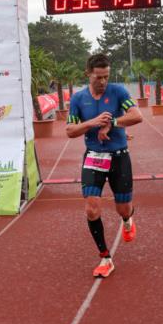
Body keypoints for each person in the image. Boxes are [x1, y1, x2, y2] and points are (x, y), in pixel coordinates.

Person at [66, 53, 143, 278]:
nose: (102, 82)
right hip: (93, 157)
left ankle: (128, 219)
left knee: (123, 208)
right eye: (98, 77)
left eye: (106, 77)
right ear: (88, 74)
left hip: (119, 156)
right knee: (91, 208)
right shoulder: (78, 99)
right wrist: (92, 123)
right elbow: (70, 131)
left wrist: (113, 123)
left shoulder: (118, 92)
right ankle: (105, 258)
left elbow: (137, 115)